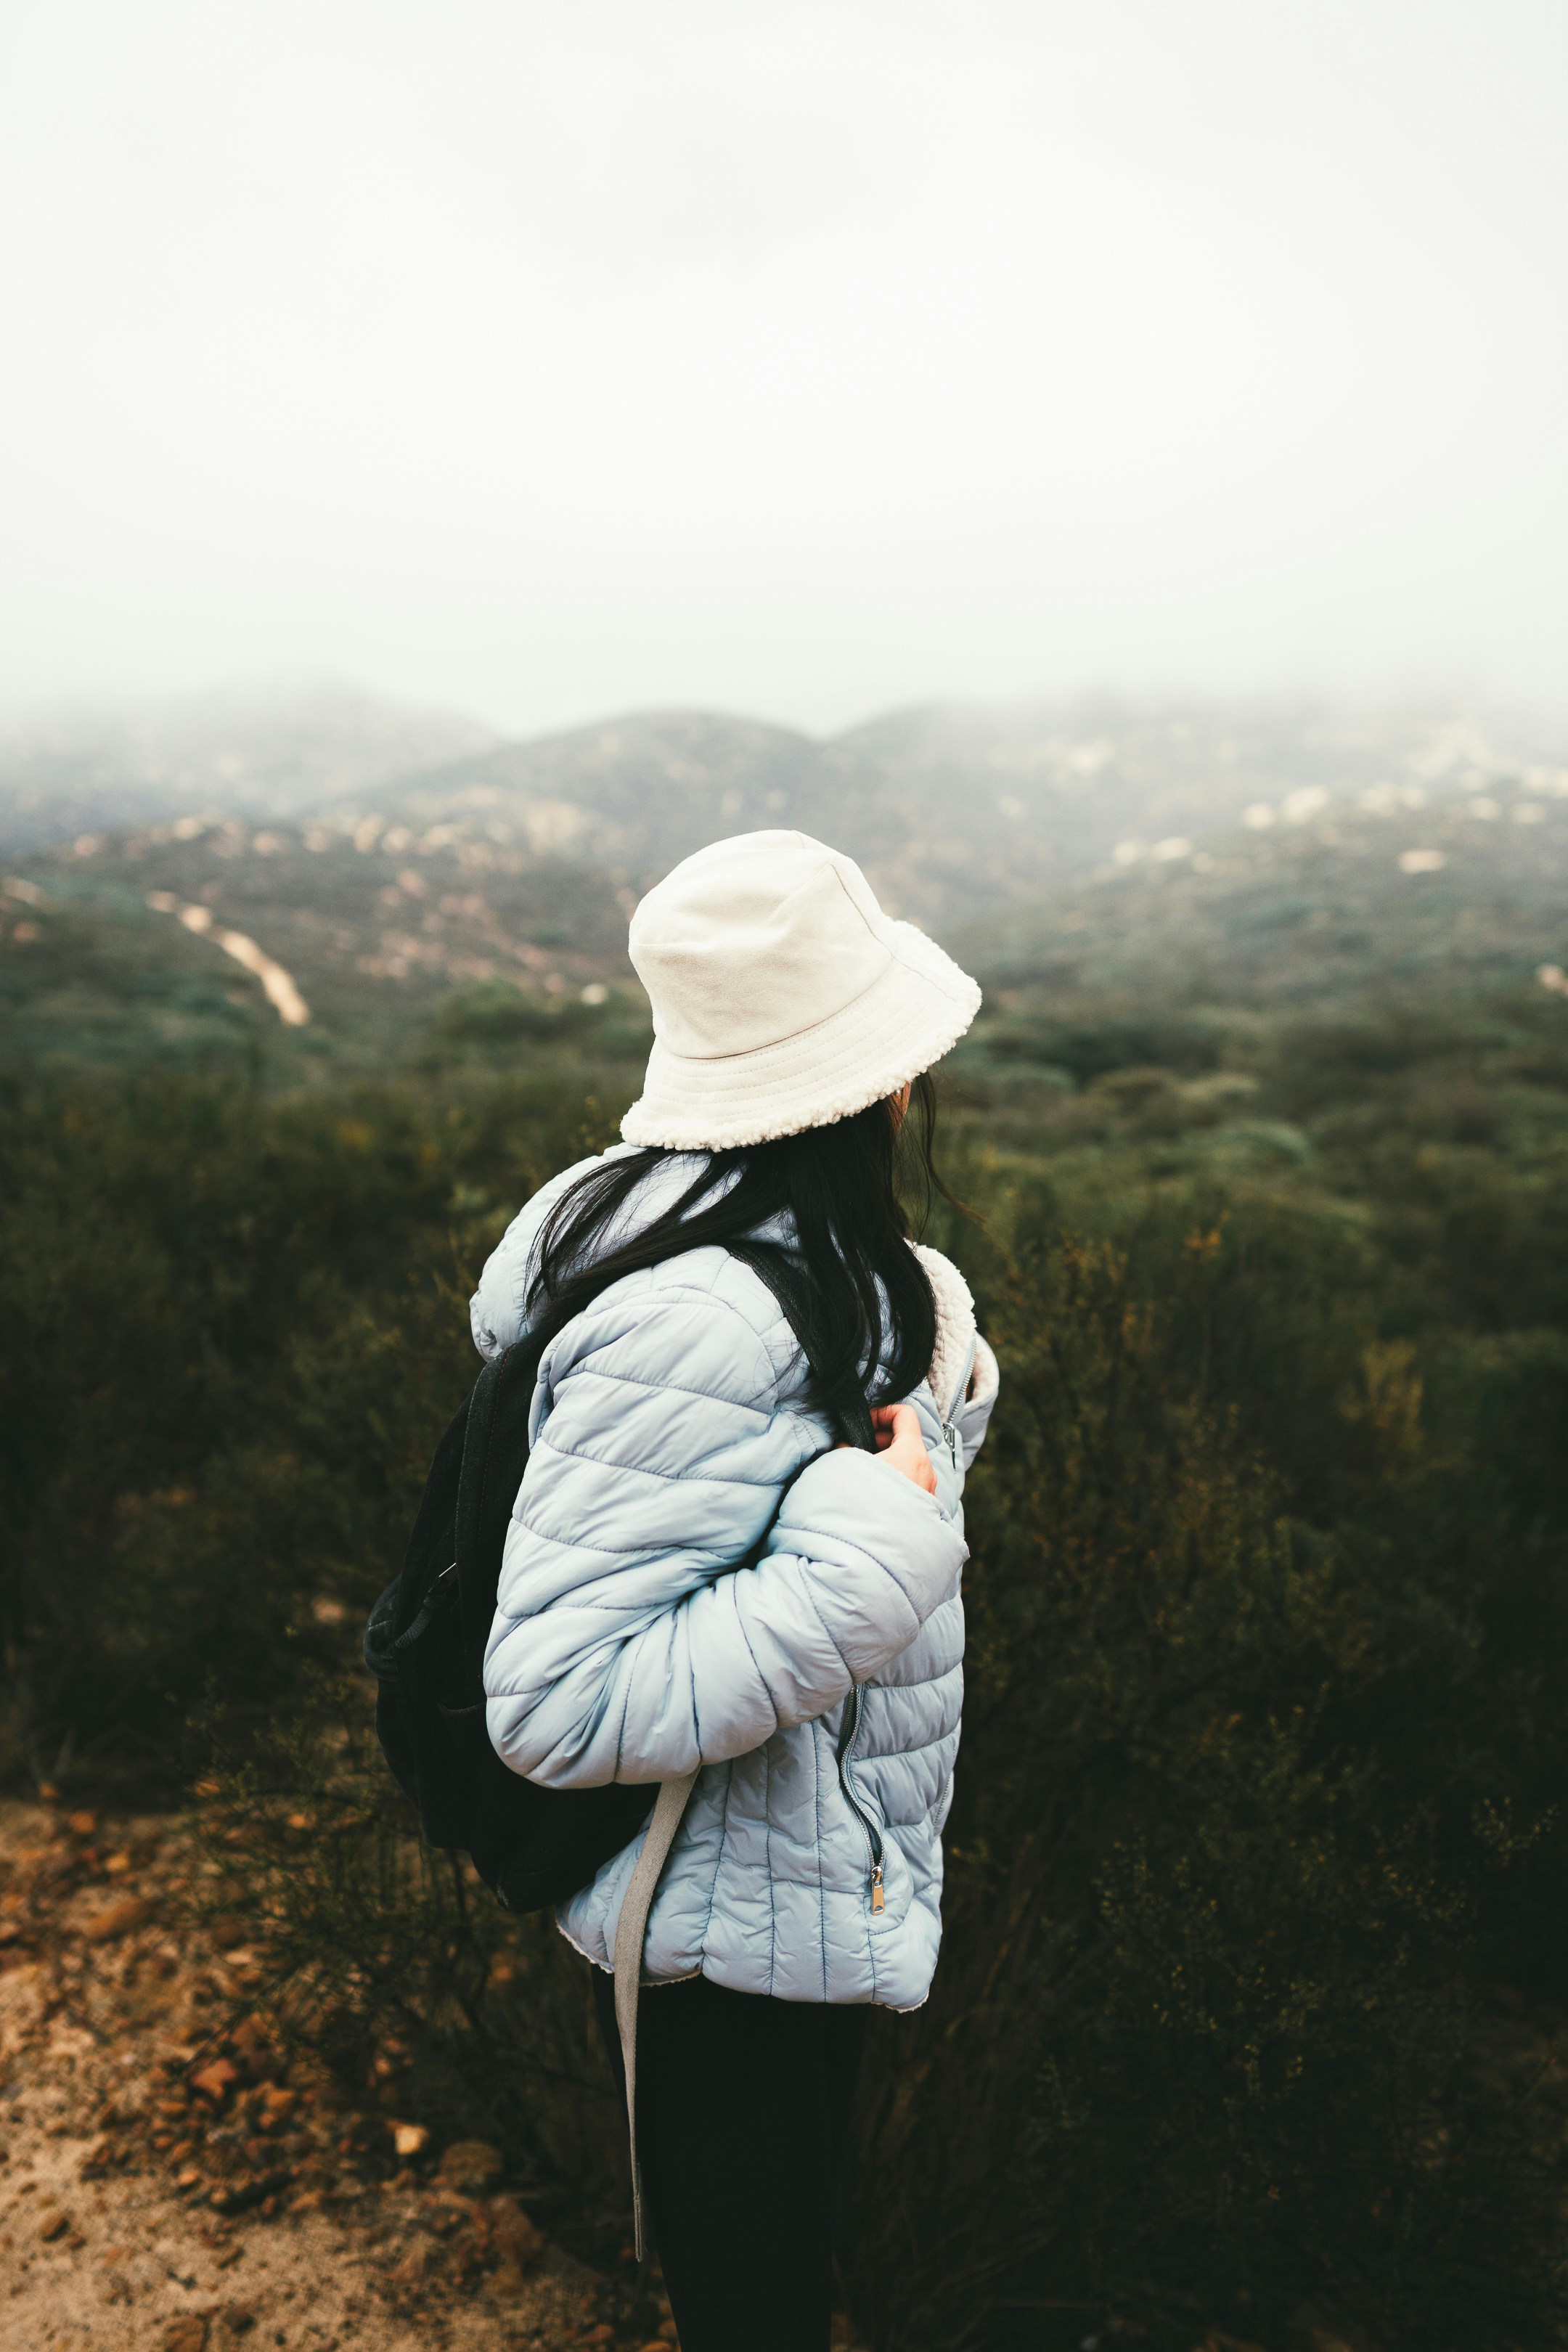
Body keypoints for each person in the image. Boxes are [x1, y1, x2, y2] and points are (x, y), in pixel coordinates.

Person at [469, 830, 1000, 2352]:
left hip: (785, 1897)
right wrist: (874, 1539)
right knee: (754, 2311)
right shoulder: (700, 1313)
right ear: (875, 1080)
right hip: (725, 1945)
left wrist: (928, 1410)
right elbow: (558, 1706)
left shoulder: (784, 1257)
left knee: (763, 2292)